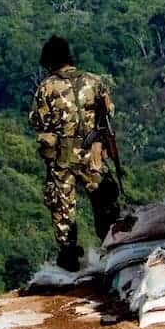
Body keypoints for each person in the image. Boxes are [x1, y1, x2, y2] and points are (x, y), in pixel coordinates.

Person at [28, 36, 124, 271]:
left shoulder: (47, 88)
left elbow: (38, 121)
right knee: (105, 203)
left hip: (63, 157)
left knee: (63, 210)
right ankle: (114, 252)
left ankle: (69, 259)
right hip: (93, 153)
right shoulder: (95, 81)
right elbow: (108, 110)